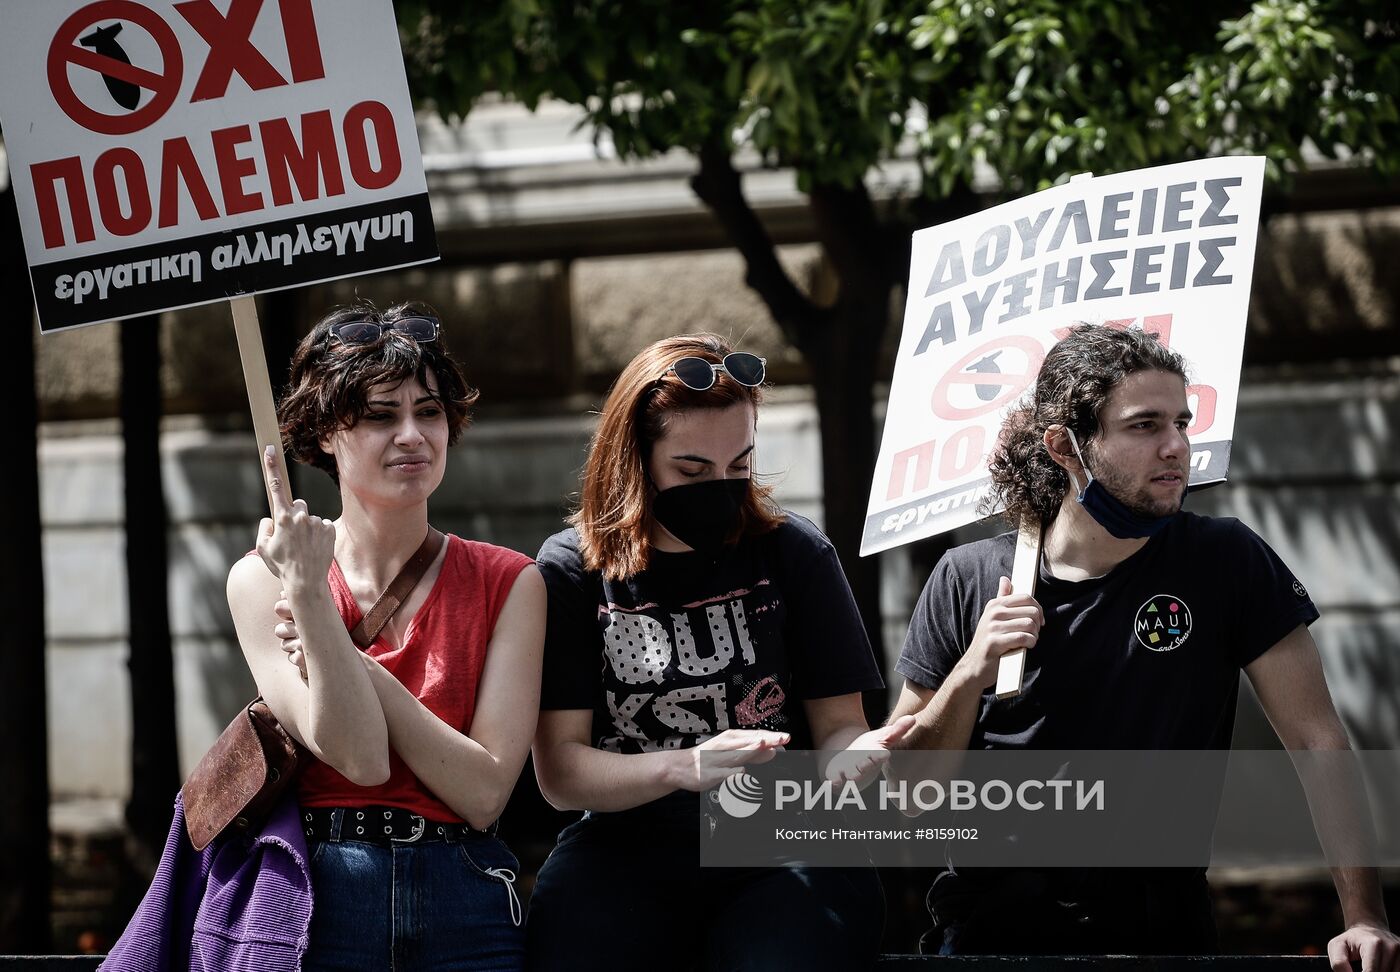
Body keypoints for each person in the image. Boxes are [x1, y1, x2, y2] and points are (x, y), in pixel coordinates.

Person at [887, 323, 1400, 966]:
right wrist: (969, 674)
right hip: (993, 933)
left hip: (1160, 929)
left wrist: (1364, 917)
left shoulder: (1224, 560)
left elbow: (1316, 740)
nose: (1177, 447)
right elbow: (904, 797)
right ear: (1065, 447)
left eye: (1181, 423)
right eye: (1144, 425)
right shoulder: (968, 579)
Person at [527, 333, 913, 971]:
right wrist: (681, 768)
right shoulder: (571, 569)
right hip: (625, 844)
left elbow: (841, 727)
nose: (721, 488)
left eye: (740, 465)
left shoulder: (795, 553)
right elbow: (561, 774)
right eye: (692, 471)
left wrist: (857, 758)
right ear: (635, 459)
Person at [227, 300, 545, 971]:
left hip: (467, 893)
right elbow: (360, 759)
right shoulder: (262, 581)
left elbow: (485, 794)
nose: (412, 435)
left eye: (428, 411)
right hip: (319, 895)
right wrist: (311, 592)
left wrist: (346, 658)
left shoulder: (510, 580)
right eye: (380, 416)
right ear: (322, 434)